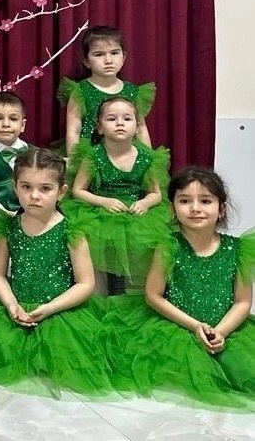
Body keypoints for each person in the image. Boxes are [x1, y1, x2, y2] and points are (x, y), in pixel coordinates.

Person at [105, 167, 255, 407]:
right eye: (184, 201)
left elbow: (243, 301)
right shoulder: (168, 245)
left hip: (227, 328)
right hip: (177, 328)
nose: (195, 208)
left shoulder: (239, 249)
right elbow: (153, 295)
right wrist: (195, 326)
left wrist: (221, 332)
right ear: (172, 208)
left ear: (221, 209)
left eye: (205, 201)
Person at [0, 148, 112, 395]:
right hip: (15, 307)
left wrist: (50, 307)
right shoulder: (8, 227)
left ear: (61, 191)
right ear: (15, 187)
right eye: (26, 187)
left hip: (60, 311)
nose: (34, 196)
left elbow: (85, 283)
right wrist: (10, 304)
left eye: (45, 189)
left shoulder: (71, 229)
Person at [60, 97, 170, 294]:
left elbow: (156, 194)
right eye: (111, 119)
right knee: (92, 239)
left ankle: (135, 294)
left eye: (127, 119)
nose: (120, 123)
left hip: (136, 212)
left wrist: (145, 203)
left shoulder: (147, 158)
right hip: (100, 211)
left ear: (137, 126)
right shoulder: (94, 155)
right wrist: (104, 201)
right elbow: (78, 190)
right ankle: (101, 293)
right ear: (100, 127)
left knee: (148, 240)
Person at [59, 24, 155, 155]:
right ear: (87, 61)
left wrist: (150, 159)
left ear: (123, 57)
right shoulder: (80, 91)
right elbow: (73, 131)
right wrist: (74, 160)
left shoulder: (133, 92)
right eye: (99, 54)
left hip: (126, 156)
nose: (108, 60)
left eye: (114, 53)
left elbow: (141, 129)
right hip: (91, 157)